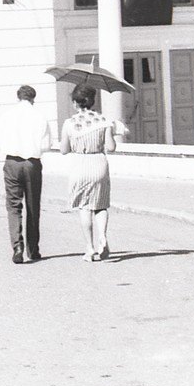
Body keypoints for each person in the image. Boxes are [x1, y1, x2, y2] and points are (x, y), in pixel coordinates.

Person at [60, 84, 117, 261]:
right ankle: (103, 237)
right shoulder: (104, 121)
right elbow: (111, 147)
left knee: (84, 207)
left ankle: (90, 247)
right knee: (100, 205)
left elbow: (63, 150)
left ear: (76, 103)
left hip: (80, 165)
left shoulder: (70, 123)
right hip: (99, 163)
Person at [0, 85, 52, 264]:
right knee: (33, 205)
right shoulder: (40, 117)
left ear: (18, 97)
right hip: (32, 163)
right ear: (33, 98)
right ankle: (33, 249)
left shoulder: (6, 116)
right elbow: (46, 145)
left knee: (13, 206)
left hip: (12, 161)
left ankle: (17, 246)